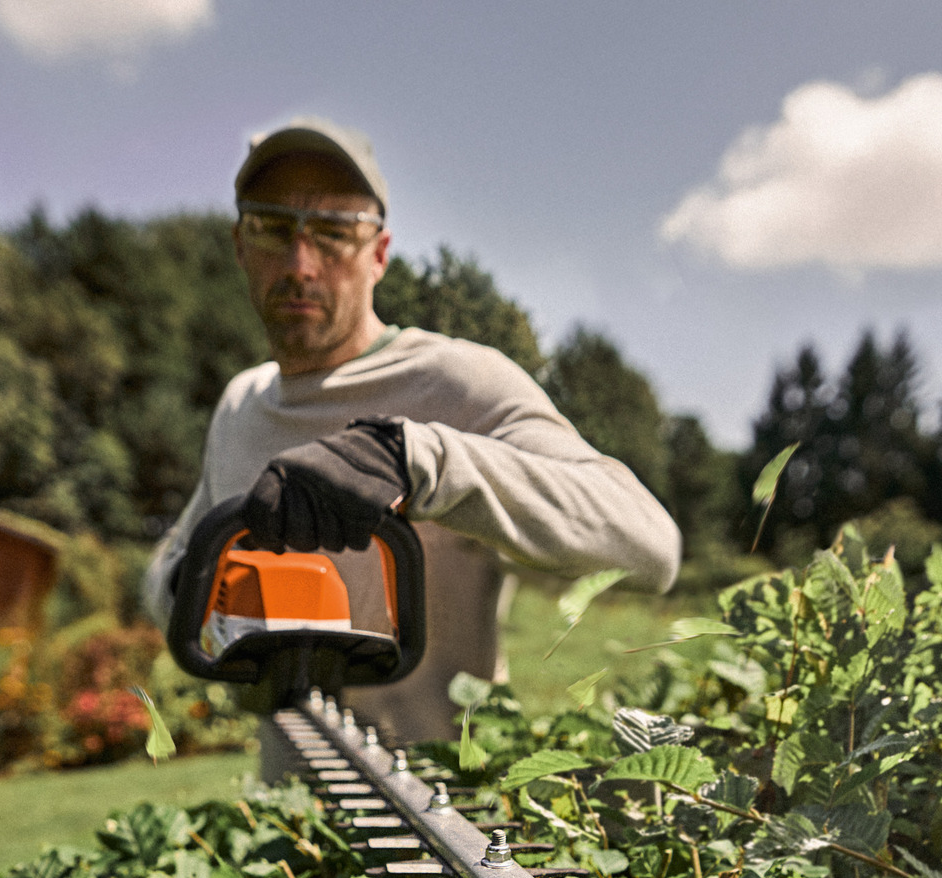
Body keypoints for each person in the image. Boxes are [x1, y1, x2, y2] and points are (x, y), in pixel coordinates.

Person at [142, 117, 680, 766]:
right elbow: (178, 556)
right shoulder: (240, 405)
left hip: (454, 819)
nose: (301, 265)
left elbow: (650, 544)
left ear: (380, 254)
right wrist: (196, 603)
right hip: (292, 833)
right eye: (273, 229)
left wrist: (423, 460)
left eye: (336, 234)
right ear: (239, 245)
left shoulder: (457, 383)